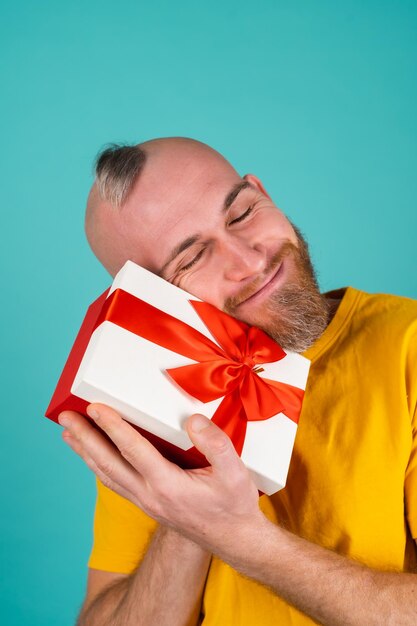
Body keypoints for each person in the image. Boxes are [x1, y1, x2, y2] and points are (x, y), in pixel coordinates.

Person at [58, 137, 417, 626]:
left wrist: (234, 534)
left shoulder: (406, 345)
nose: (249, 261)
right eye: (190, 260)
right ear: (148, 304)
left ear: (262, 192)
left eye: (242, 213)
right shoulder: (144, 414)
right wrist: (183, 512)